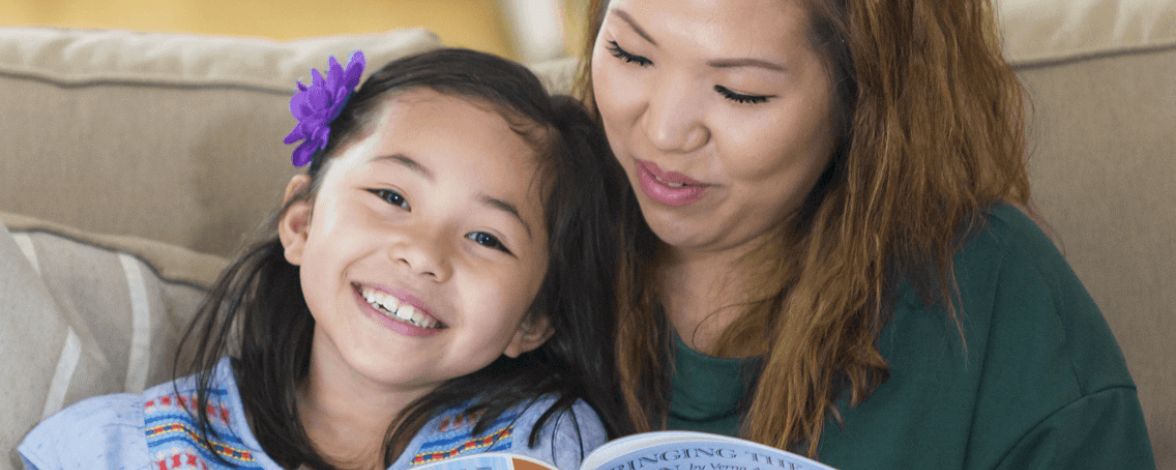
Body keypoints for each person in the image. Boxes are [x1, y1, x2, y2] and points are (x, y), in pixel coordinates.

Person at [577, 0, 1155, 468]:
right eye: (630, 53)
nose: (663, 131)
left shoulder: (996, 301)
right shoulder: (530, 215)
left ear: (865, 101)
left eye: (740, 91)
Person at [19, 48, 623, 469]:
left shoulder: (546, 444)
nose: (422, 253)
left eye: (487, 238)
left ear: (534, 319)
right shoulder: (122, 447)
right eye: (392, 197)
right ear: (302, 221)